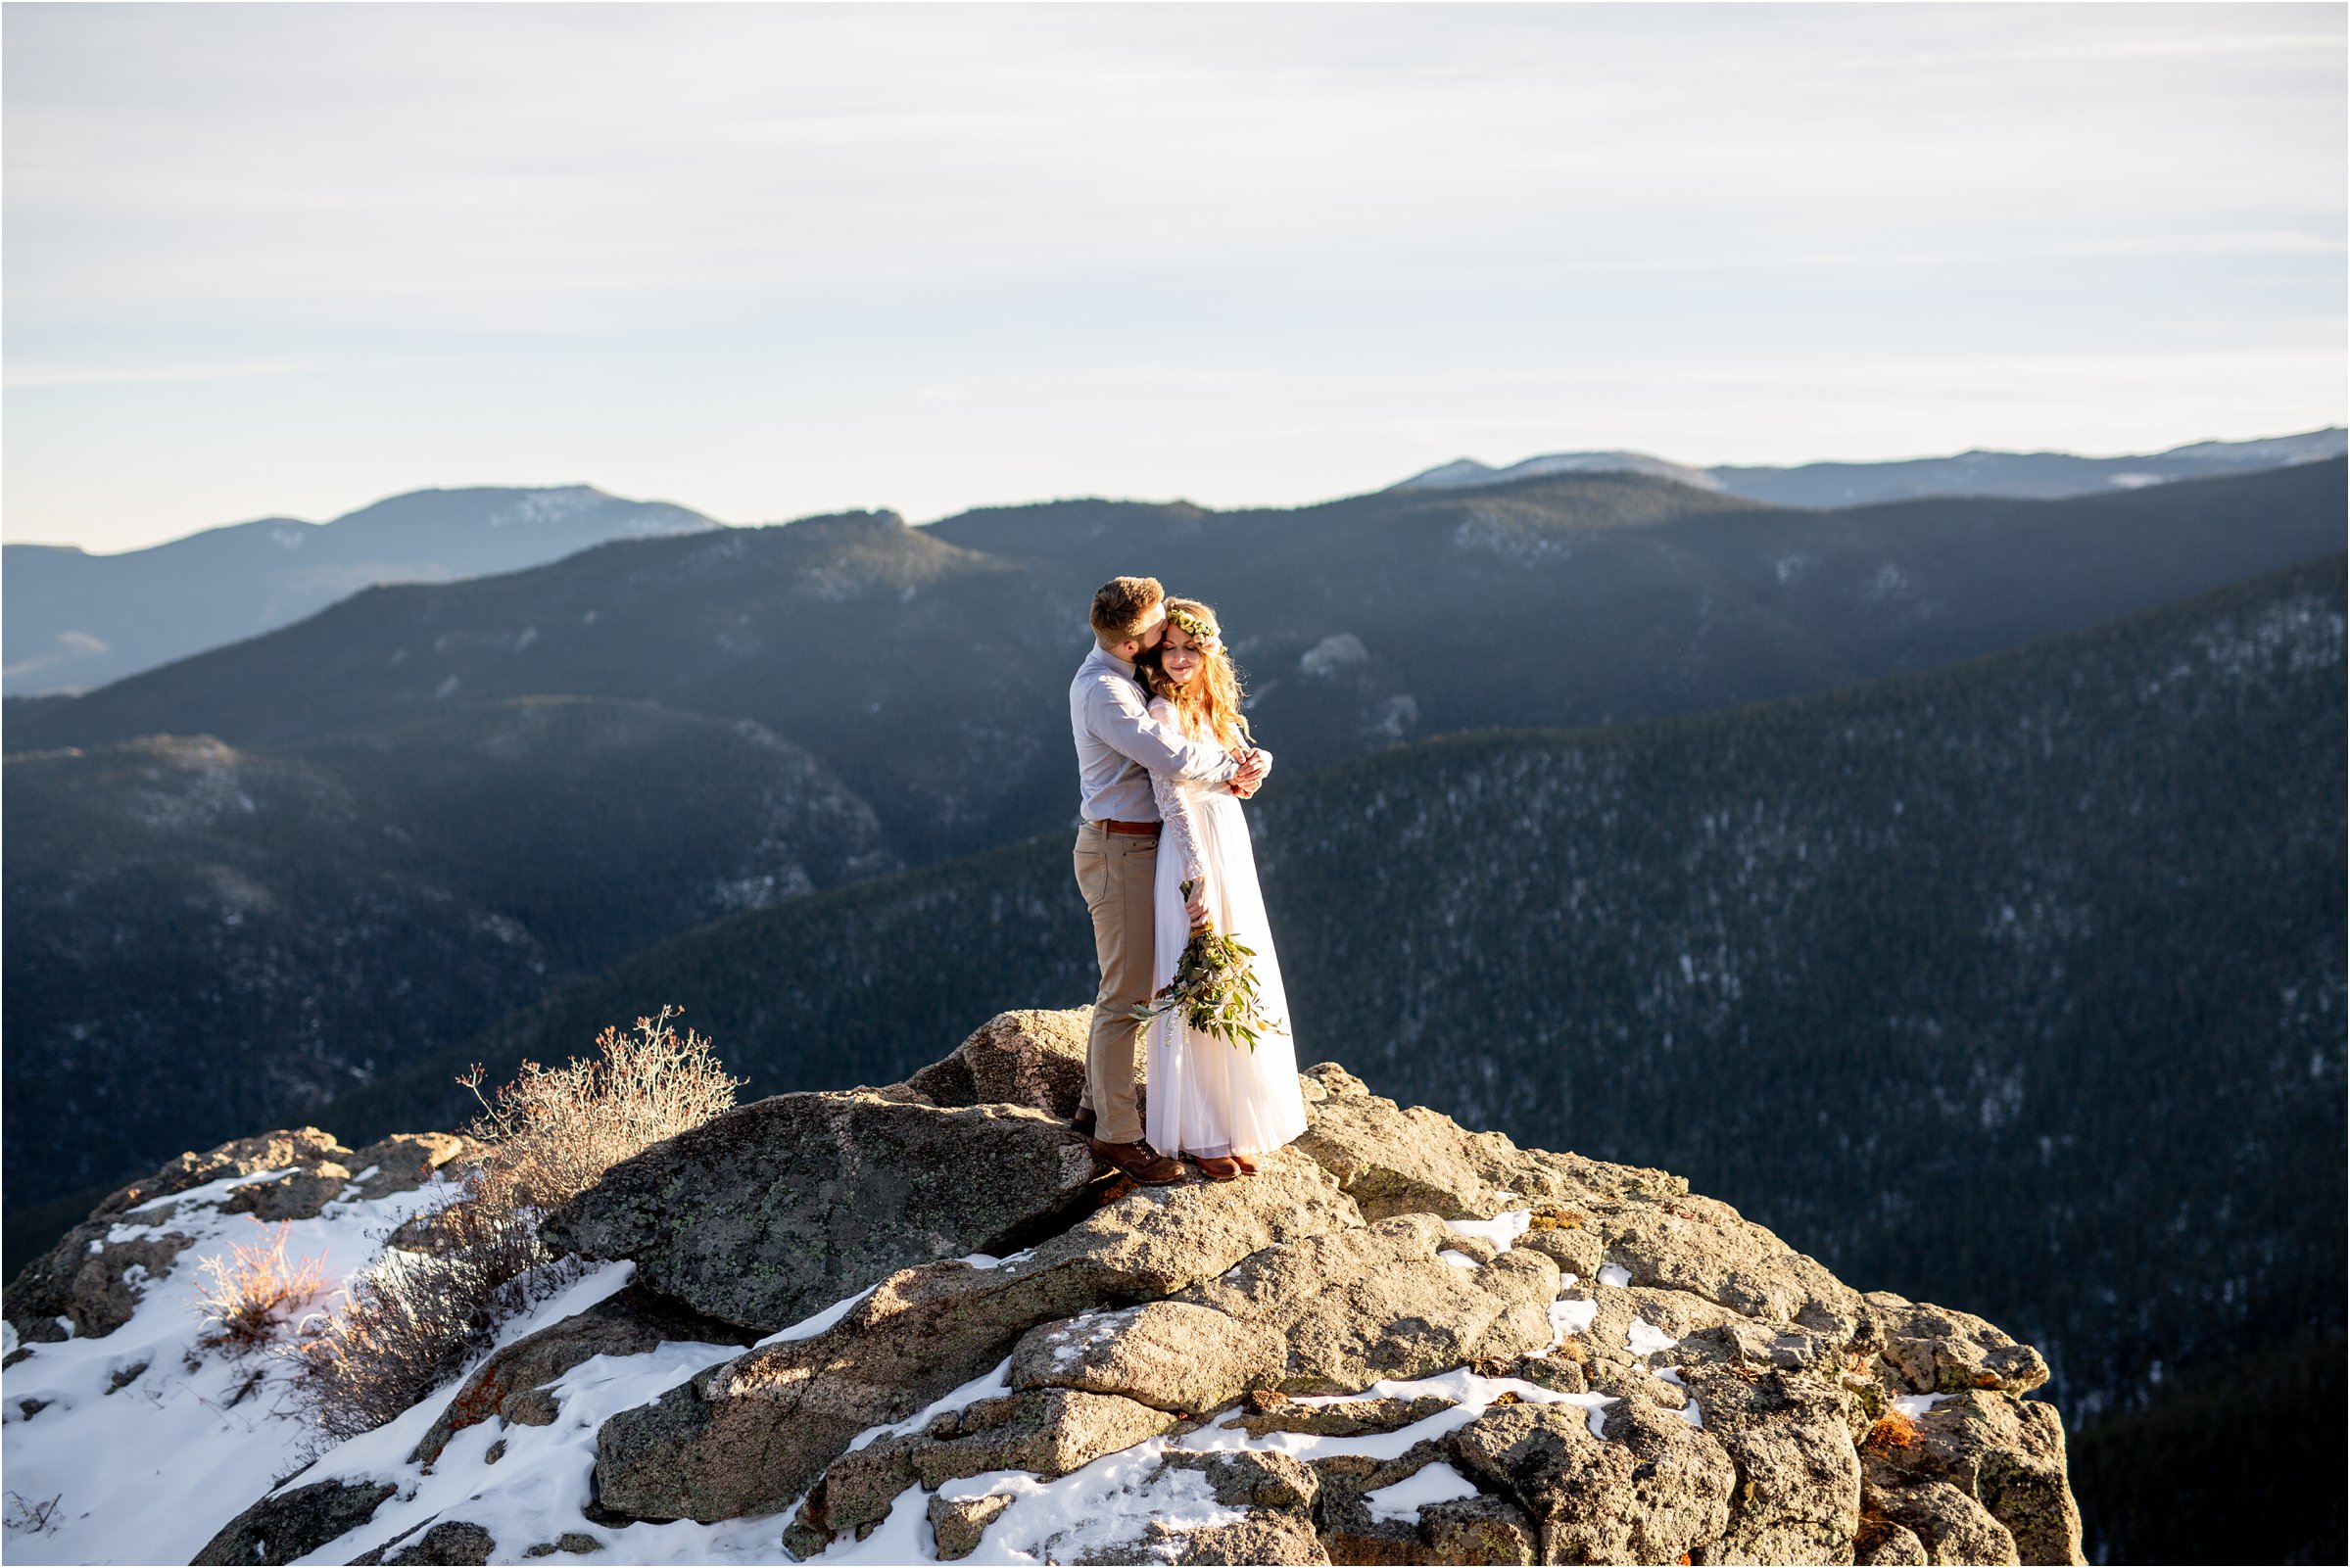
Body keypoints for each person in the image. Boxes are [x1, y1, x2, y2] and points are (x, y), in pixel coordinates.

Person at [1068, 576, 1270, 1184]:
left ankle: (1093, 1102)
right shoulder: (1106, 693)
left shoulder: (1128, 674)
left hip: (1140, 847)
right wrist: (1232, 766)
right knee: (1128, 993)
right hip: (1120, 847)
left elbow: (1207, 731)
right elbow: (1174, 758)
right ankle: (1117, 1137)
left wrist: (1251, 760)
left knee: (1137, 977)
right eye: (1158, 631)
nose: (1166, 639)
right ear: (1132, 644)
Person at [1133, 597, 1308, 1177]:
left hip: (1230, 843)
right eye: (1171, 649)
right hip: (1193, 851)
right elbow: (1171, 799)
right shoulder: (1159, 713)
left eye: (1192, 649)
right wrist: (1196, 876)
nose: (1180, 660)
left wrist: (1259, 763)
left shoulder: (1216, 710)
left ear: (1210, 652)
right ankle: (1200, 1131)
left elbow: (1240, 778)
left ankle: (1237, 1122)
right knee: (1196, 979)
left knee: (1236, 975)